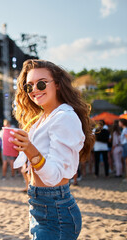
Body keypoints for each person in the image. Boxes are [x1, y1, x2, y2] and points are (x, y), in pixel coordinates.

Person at [11, 59, 94, 240]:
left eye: (41, 83)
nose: (34, 90)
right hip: (41, 205)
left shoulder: (64, 117)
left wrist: (30, 149)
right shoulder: (43, 117)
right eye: (29, 86)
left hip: (55, 209)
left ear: (57, 84)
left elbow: (54, 177)